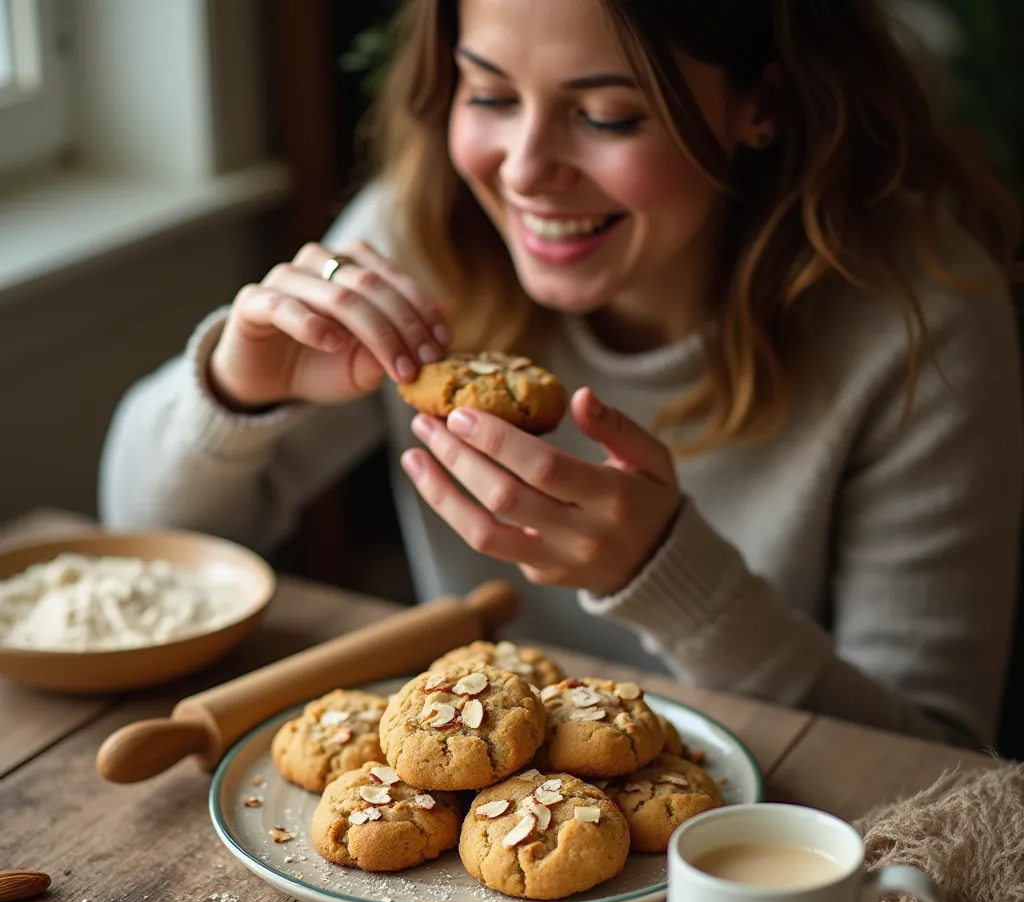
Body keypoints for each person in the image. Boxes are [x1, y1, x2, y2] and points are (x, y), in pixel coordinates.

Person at [99, 0, 1023, 749]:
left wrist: (673, 579)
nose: (528, 171)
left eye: (607, 115)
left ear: (762, 104)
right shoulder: (418, 235)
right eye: (490, 96)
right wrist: (234, 392)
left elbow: (936, 763)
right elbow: (141, 551)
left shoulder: (923, 316)